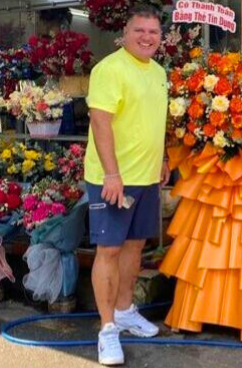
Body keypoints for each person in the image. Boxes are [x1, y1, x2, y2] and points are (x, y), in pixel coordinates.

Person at [83, 5, 170, 366]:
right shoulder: (110, 69)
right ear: (125, 33)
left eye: (153, 32)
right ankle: (107, 330)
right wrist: (112, 174)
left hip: (147, 177)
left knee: (134, 247)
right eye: (140, 31)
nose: (147, 37)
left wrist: (163, 158)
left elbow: (155, 119)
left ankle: (124, 310)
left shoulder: (159, 72)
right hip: (113, 179)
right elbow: (100, 122)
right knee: (110, 250)